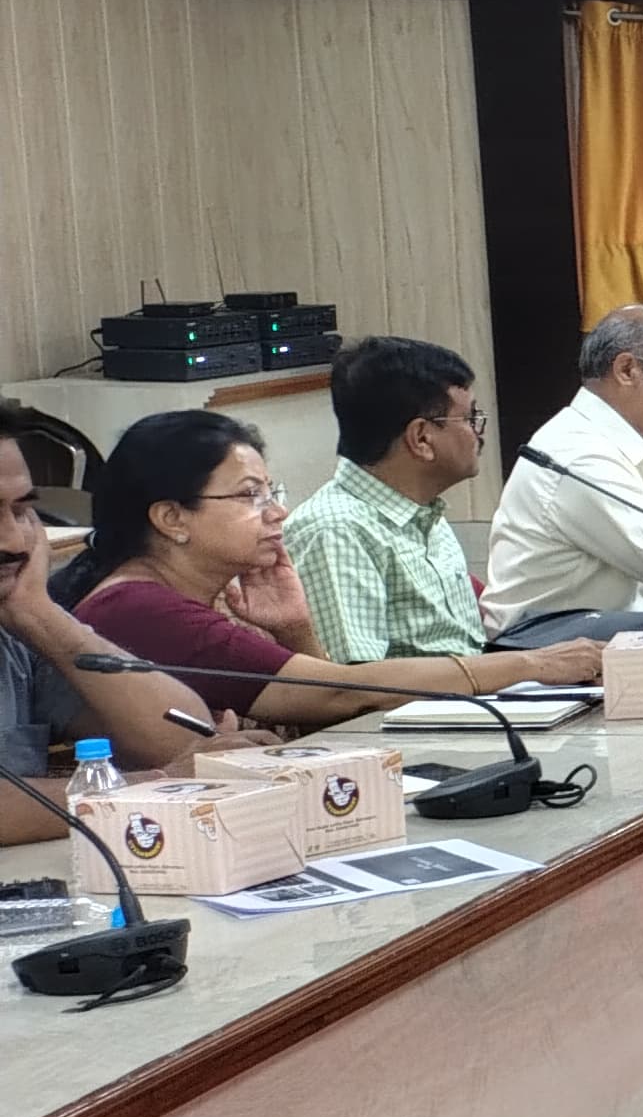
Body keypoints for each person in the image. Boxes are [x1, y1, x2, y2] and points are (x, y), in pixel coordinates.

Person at [54, 411, 602, 731]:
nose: (277, 513)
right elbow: (339, 693)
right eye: (249, 496)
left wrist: (295, 629)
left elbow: (323, 710)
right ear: (172, 518)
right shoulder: (139, 607)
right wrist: (532, 664)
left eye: (271, 492)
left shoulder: (210, 594)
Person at [0, 433, 230, 806]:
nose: (13, 542)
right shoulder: (132, 600)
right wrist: (156, 783)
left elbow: (186, 738)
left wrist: (38, 613)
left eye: (21, 511)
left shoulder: (16, 628)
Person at [482, 305, 643, 641]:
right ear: (627, 369)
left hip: (592, 628)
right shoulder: (580, 453)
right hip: (538, 640)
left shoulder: (610, 441)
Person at [281, 336, 508, 666]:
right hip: (436, 699)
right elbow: (360, 683)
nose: (480, 433)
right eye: (470, 419)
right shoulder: (336, 531)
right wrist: (514, 669)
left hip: (481, 687)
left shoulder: (421, 509)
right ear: (421, 438)